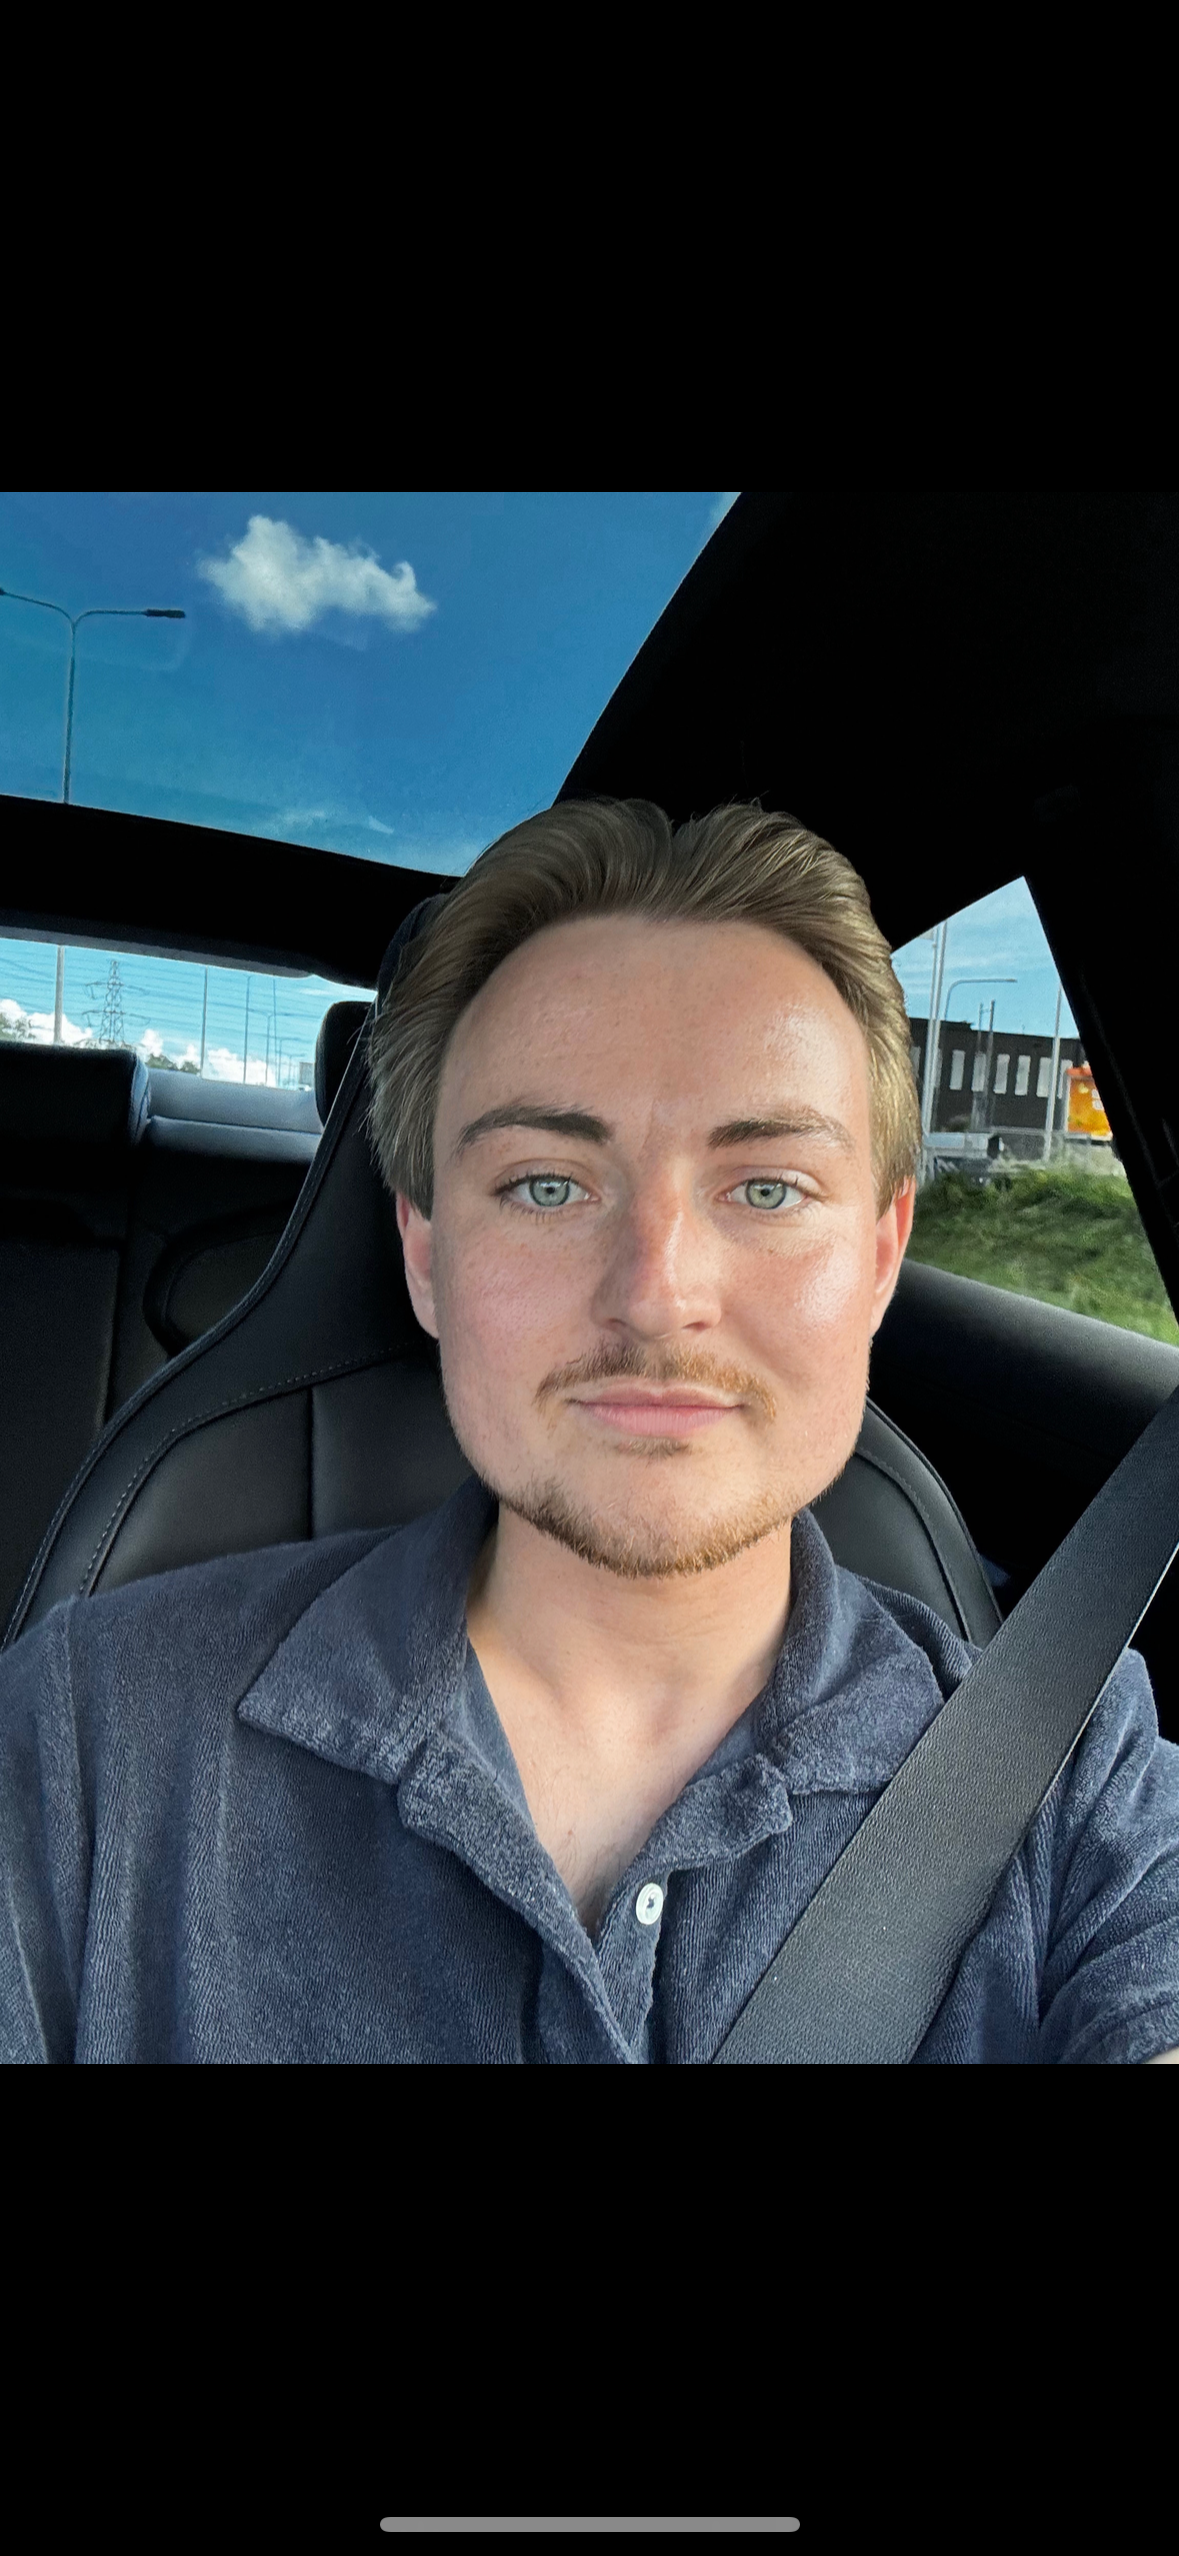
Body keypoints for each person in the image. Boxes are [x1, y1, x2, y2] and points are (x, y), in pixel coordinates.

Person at [3, 800, 1179, 2064]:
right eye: (548, 1185)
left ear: (882, 1254)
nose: (657, 1294)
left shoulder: (1072, 1772)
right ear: (427, 1254)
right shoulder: (85, 1739)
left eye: (768, 1187)